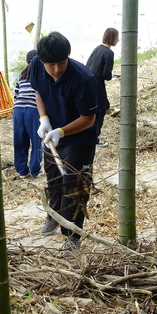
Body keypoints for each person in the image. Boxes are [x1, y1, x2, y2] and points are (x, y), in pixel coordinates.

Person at [30, 32, 98, 252]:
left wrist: (62, 131)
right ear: (42, 62)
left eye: (61, 63)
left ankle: (72, 235)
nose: (57, 69)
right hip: (52, 131)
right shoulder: (36, 66)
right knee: (53, 177)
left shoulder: (83, 79)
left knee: (74, 183)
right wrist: (44, 119)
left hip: (80, 135)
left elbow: (89, 118)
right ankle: (54, 214)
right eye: (51, 65)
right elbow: (39, 91)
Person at [86, 27, 119, 148]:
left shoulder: (97, 49)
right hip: (97, 84)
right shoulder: (109, 53)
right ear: (113, 38)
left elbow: (88, 65)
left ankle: (91, 135)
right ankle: (94, 138)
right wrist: (112, 75)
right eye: (117, 37)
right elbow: (106, 74)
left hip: (88, 82)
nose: (118, 40)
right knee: (100, 111)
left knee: (104, 105)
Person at [12, 50, 43, 179]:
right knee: (36, 140)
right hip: (32, 110)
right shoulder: (41, 74)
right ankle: (35, 169)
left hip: (18, 109)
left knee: (20, 140)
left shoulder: (22, 75)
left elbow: (16, 94)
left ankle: (22, 171)